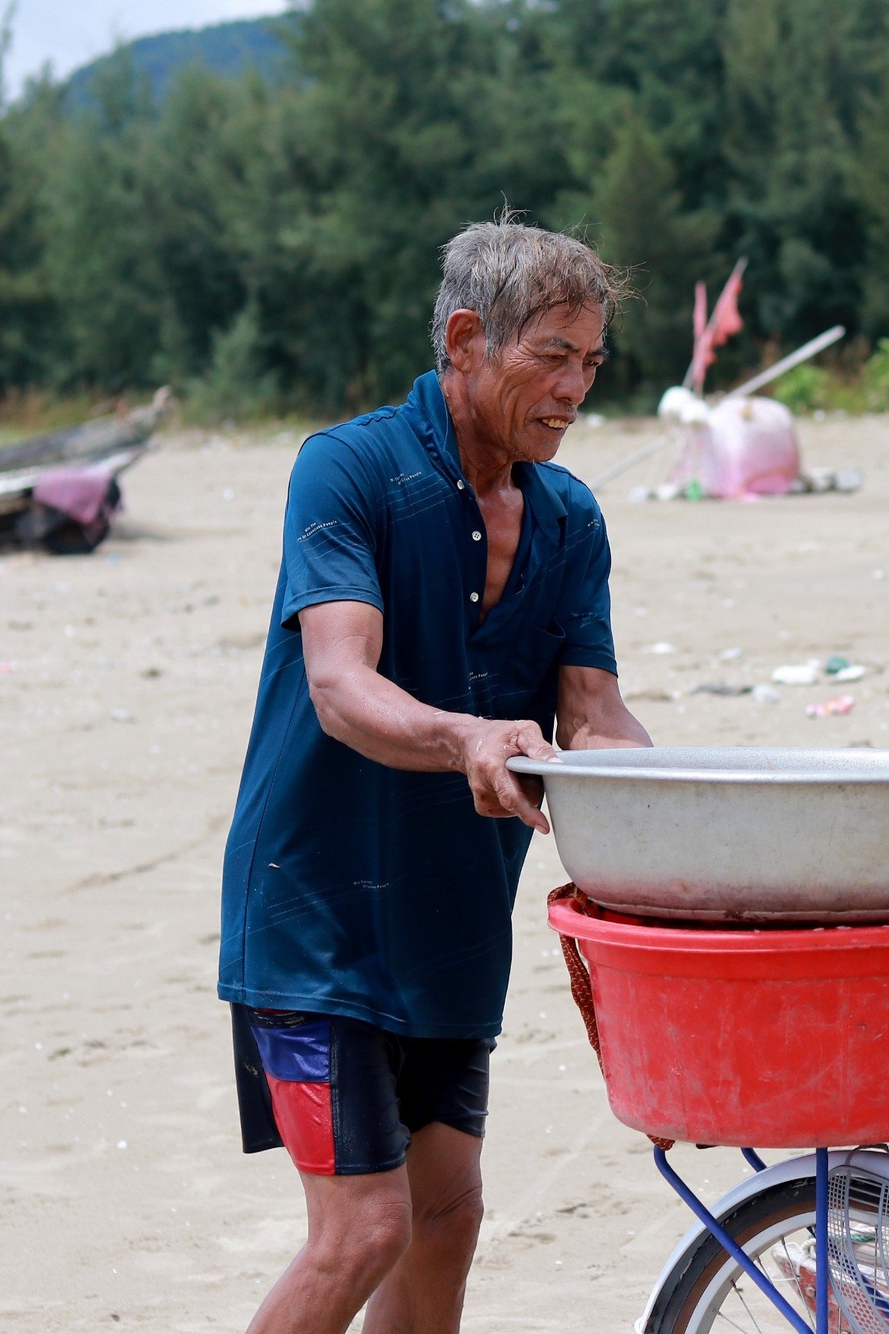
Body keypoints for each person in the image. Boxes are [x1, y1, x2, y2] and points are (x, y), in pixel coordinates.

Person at [217, 220, 652, 1334]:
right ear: (466, 338)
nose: (576, 389)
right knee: (364, 1228)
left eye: (592, 363)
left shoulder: (570, 516)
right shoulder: (349, 466)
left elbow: (593, 713)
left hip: (454, 927)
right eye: (552, 356)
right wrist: (466, 735)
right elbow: (337, 682)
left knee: (446, 1215)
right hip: (314, 922)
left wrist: (679, 807)